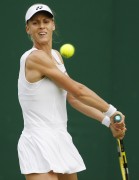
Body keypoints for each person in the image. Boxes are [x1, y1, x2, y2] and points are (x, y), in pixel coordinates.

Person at [17, 3, 126, 180]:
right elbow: (78, 90)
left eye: (46, 21)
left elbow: (73, 98)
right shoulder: (34, 58)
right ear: (28, 29)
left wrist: (108, 122)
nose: (42, 26)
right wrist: (112, 111)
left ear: (53, 25)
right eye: (35, 23)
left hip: (61, 139)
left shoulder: (56, 56)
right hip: (37, 141)